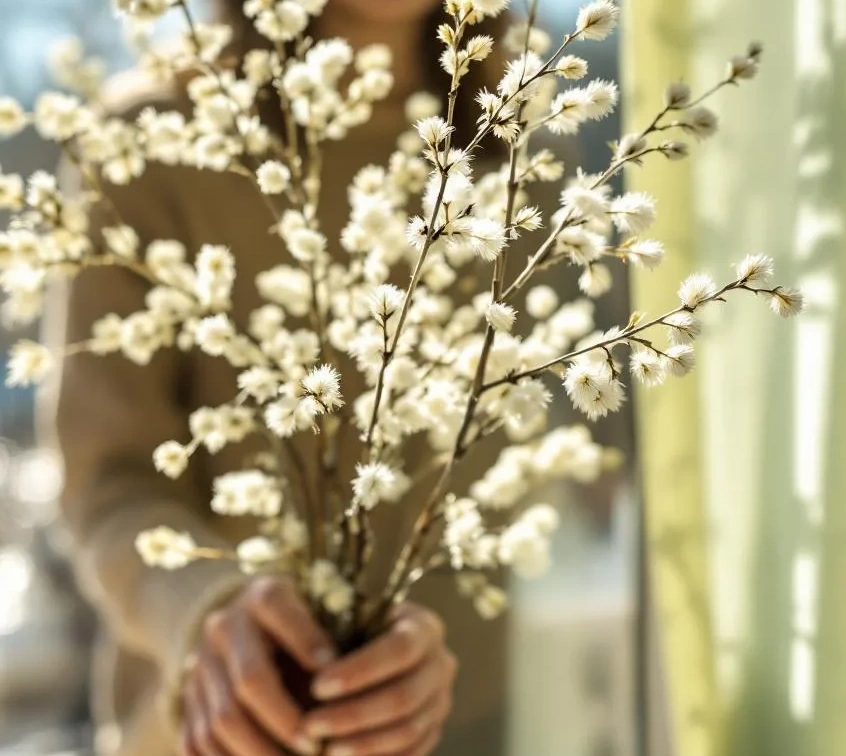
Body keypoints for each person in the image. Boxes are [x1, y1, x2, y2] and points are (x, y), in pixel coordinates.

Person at [43, 2, 540, 755]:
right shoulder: (148, 143)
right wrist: (207, 616)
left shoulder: (513, 144)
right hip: (224, 730)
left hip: (451, 724)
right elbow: (108, 485)